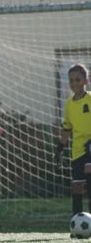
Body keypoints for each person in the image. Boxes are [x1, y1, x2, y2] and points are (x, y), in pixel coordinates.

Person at [56, 63, 91, 231]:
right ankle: (76, 226)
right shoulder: (69, 104)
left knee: (90, 185)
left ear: (86, 80)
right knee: (77, 188)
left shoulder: (90, 99)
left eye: (78, 79)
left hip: (90, 150)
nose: (74, 83)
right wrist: (60, 147)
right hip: (77, 151)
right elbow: (67, 128)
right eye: (71, 80)